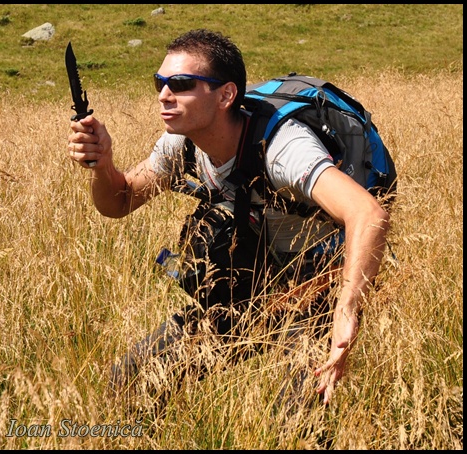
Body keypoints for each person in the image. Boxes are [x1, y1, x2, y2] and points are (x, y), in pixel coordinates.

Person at [67, 29, 390, 406]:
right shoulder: (180, 144)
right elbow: (120, 200)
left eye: (181, 83)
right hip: (254, 287)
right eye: (160, 82)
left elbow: (368, 213)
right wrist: (103, 165)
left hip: (320, 288)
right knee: (130, 379)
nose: (164, 95)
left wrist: (346, 310)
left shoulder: (283, 149)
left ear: (226, 95)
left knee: (296, 415)